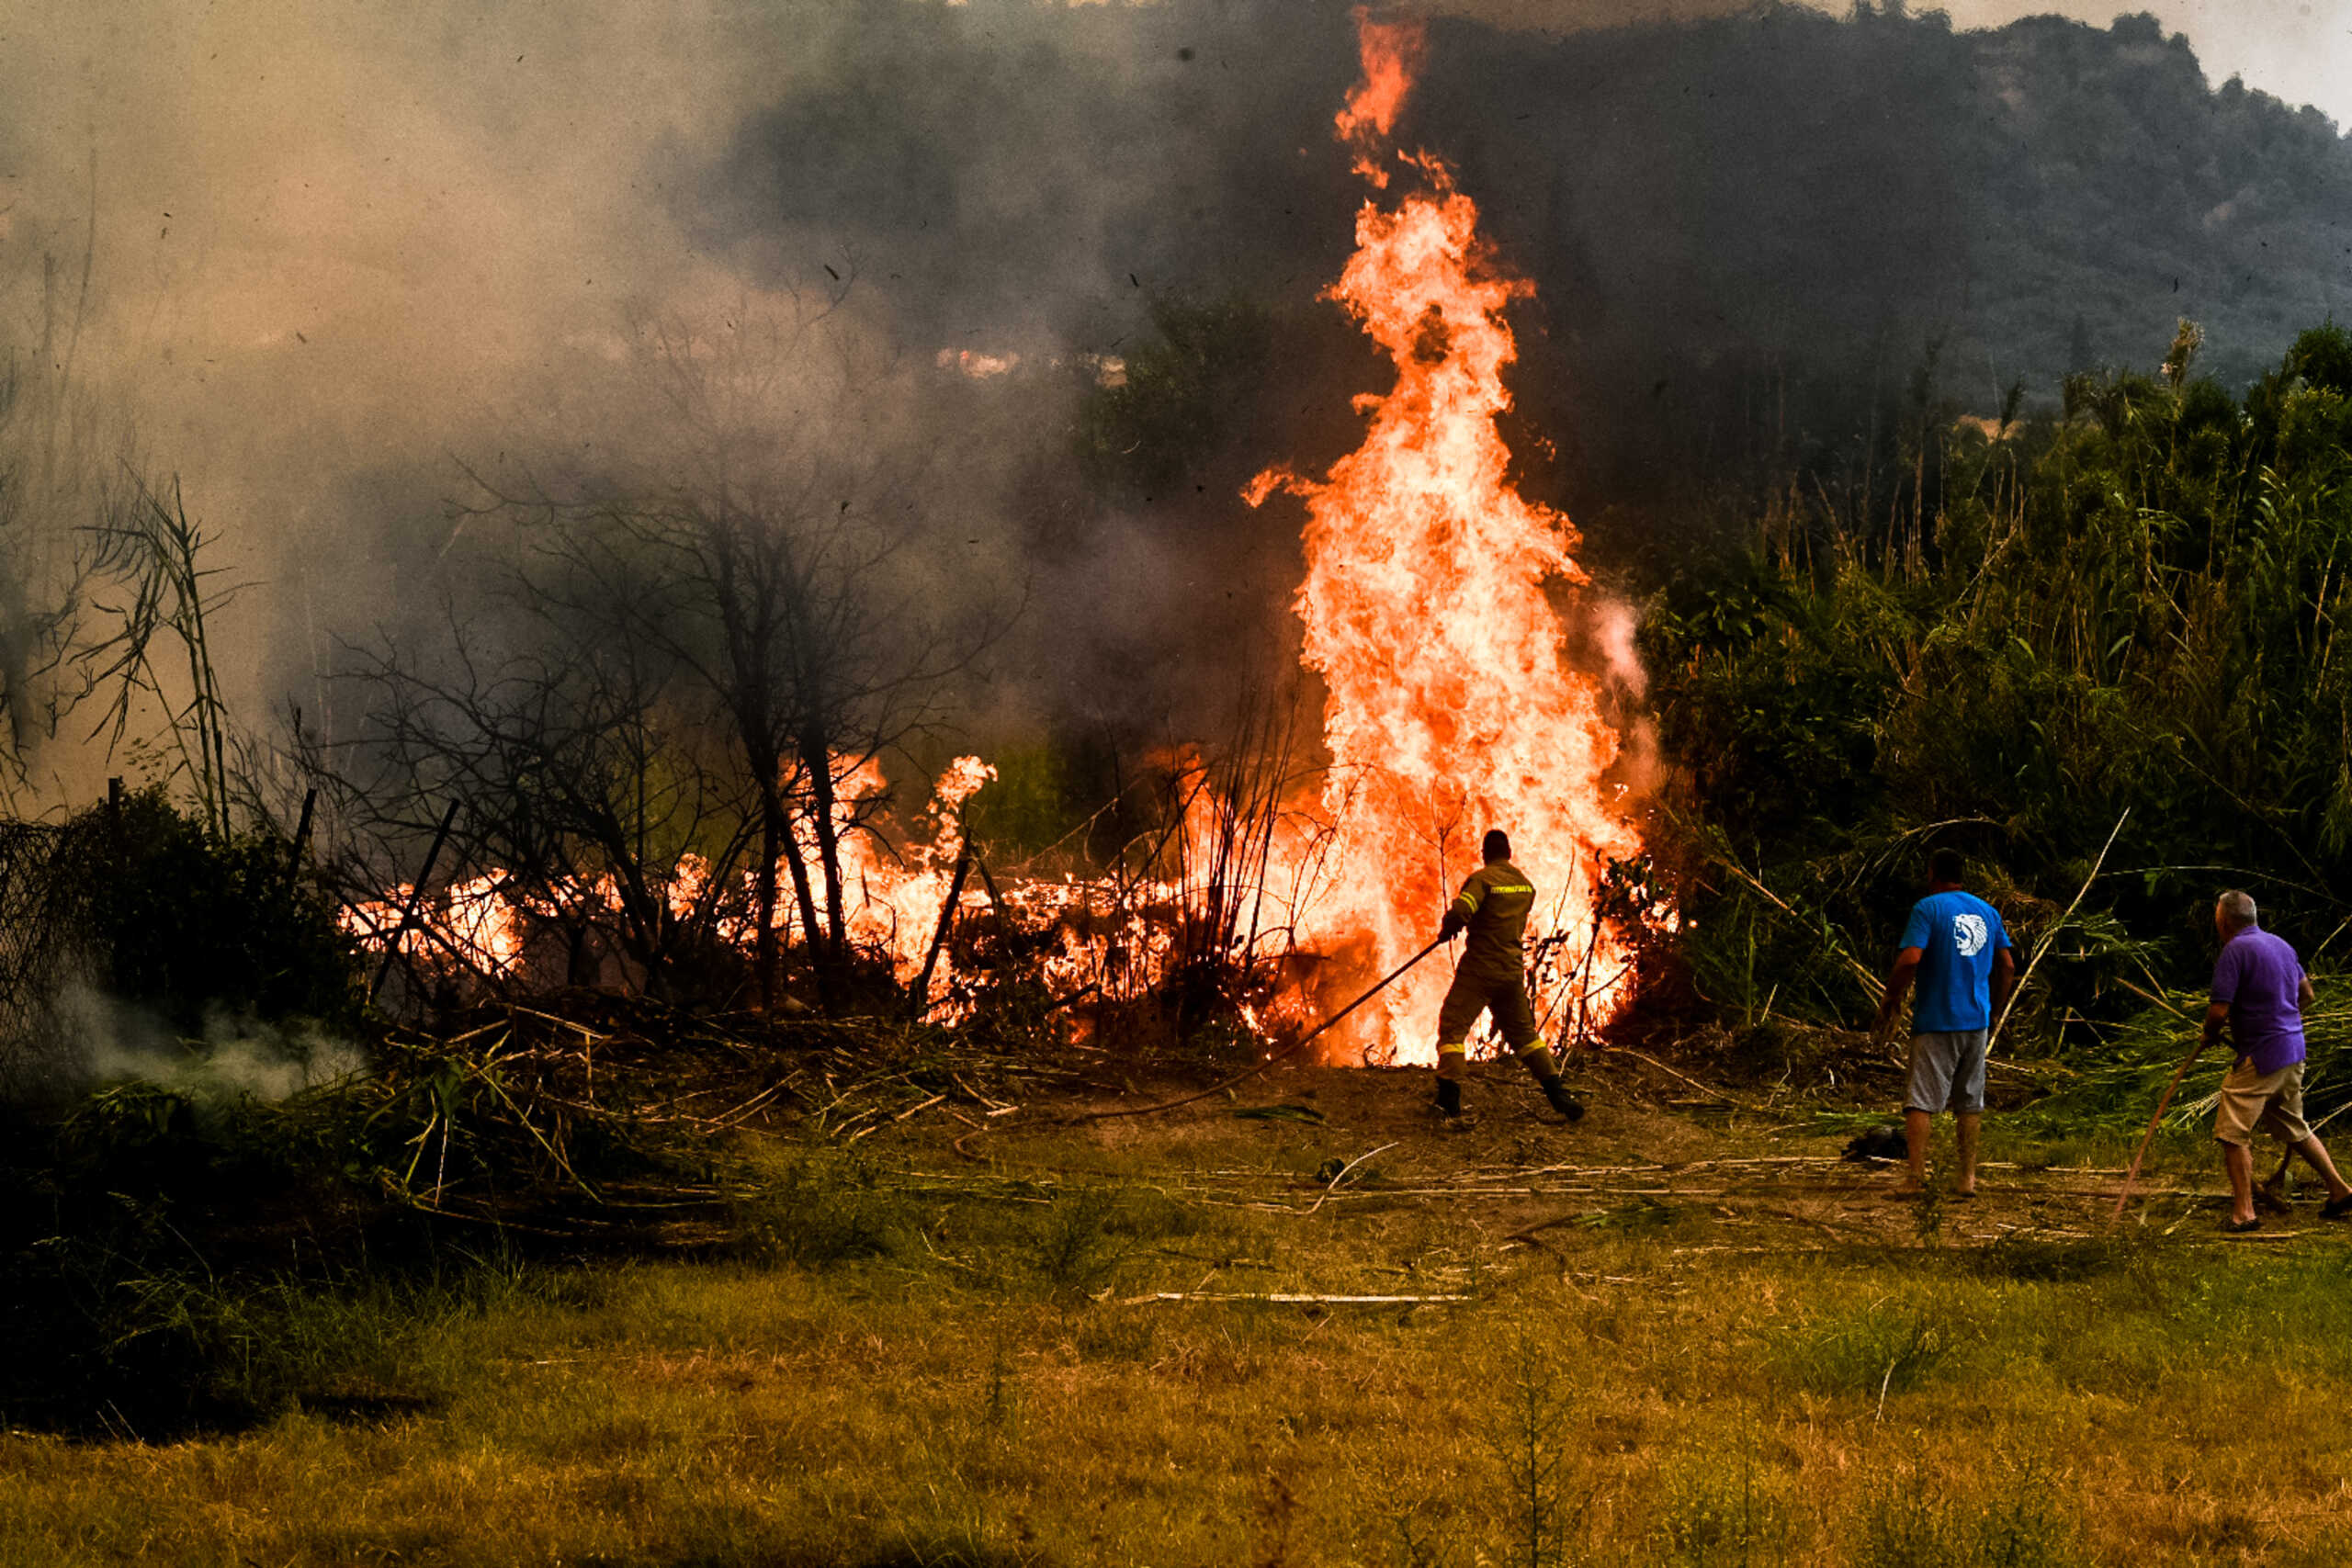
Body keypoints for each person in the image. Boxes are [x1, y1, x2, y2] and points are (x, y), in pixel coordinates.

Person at [2199, 890, 2352, 1232]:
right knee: (2294, 1127)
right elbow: (2307, 995)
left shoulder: (2234, 950)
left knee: (2231, 1133)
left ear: (2223, 921)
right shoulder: (2281, 945)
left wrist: (2209, 1034)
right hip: (2293, 1051)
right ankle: (2340, 1190)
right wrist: (2281, 1021)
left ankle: (2244, 1213)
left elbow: (2218, 1011)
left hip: (2262, 1057)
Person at [1872, 848, 2014, 1195]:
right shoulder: (1988, 911)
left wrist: (1891, 997)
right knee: (1969, 1102)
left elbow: (1910, 959)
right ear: (1961, 874)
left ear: (1932, 873)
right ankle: (1967, 1178)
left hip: (1937, 1019)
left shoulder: (1928, 908)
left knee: (1920, 1100)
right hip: (1976, 1021)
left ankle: (1916, 1178)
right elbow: (2008, 966)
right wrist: (1995, 1008)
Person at [1432, 829, 1584, 1122]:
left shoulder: (1482, 880)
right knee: (1525, 1036)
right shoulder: (1525, 885)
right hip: (1511, 971)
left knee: (1453, 1026)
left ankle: (1448, 1100)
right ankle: (1558, 1094)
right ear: (1509, 853)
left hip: (1480, 969)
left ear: (1485, 854)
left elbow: (1464, 909)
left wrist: (1449, 928)